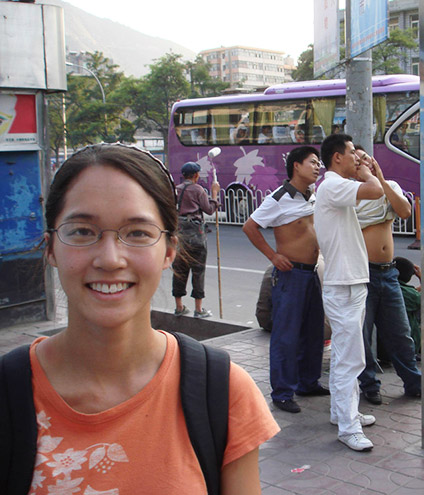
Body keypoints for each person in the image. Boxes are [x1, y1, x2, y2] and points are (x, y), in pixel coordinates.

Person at [9, 143, 279, 494]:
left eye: (137, 233)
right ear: (50, 248)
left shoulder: (224, 391)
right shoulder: (8, 394)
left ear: (168, 250)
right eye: (82, 231)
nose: (110, 259)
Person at [242, 146, 329, 414]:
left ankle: (307, 382)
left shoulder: (311, 195)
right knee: (286, 337)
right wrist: (273, 256)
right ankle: (282, 392)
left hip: (311, 273)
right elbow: (250, 226)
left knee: (314, 332)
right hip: (290, 276)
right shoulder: (279, 198)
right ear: (296, 166)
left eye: (319, 163)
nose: (318, 167)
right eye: (312, 163)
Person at [314, 133, 384, 452]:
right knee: (349, 357)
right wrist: (366, 172)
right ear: (337, 157)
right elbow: (375, 190)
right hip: (343, 284)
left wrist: (367, 170)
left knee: (347, 352)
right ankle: (348, 427)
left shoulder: (334, 187)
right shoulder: (332, 184)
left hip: (348, 281)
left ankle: (343, 413)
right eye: (352, 153)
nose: (357, 157)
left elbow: (377, 193)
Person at [353, 147, 422, 406]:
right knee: (362, 334)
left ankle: (414, 383)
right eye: (357, 160)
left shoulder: (387, 186)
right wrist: (380, 215)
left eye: (366, 159)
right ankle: (369, 385)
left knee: (400, 333)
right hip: (363, 274)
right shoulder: (350, 193)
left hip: (389, 273)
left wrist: (380, 178)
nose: (363, 164)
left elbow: (404, 211)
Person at [172, 161, 220, 318]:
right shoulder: (198, 189)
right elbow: (209, 209)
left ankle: (179, 306)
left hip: (179, 233)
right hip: (196, 234)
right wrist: (214, 194)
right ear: (196, 175)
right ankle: (198, 309)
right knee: (198, 270)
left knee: (179, 269)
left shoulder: (175, 190)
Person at [393, 257, 421, 359]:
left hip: (384, 347)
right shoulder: (410, 295)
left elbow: (415, 293)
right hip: (405, 348)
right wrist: (422, 278)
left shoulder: (393, 288)